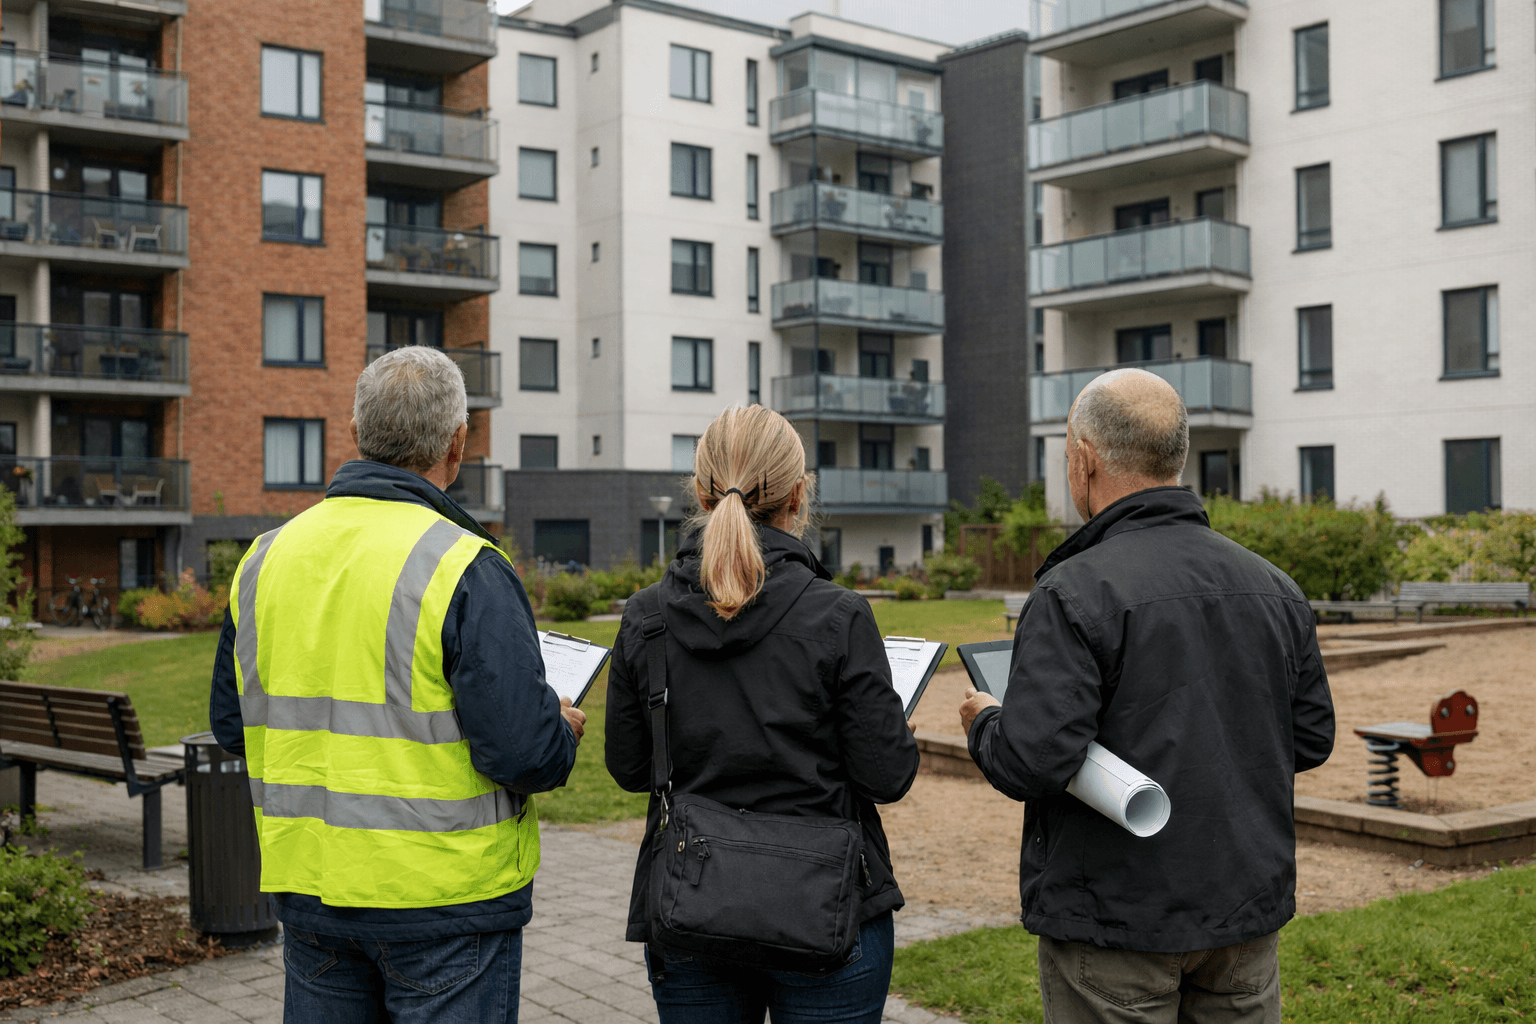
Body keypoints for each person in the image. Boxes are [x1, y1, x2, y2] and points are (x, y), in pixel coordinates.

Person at [209, 346, 584, 1023]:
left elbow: (234, 725)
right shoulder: (466, 564)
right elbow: (525, 755)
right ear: (457, 443)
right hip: (446, 903)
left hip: (313, 890)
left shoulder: (265, 558)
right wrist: (558, 728)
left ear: (355, 433)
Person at [959, 368, 1335, 1024]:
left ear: (1084, 459)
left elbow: (1034, 762)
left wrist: (987, 723)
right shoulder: (1274, 586)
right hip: (1244, 914)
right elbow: (1310, 738)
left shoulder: (1071, 591)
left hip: (1115, 923)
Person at [605, 404, 920, 1024]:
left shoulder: (646, 616)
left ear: (700, 494)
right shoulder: (839, 615)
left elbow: (630, 767)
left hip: (691, 904)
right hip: (827, 907)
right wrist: (889, 733)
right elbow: (887, 776)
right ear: (798, 496)